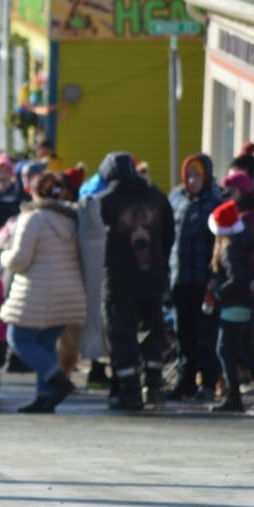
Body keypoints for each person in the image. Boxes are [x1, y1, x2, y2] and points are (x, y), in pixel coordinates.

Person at [0, 168, 87, 413]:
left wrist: (3, 254)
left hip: (39, 293)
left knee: (18, 338)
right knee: (45, 342)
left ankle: (58, 381)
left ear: (34, 191)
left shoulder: (33, 218)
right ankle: (45, 396)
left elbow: (19, 260)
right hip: (69, 295)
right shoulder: (71, 218)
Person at [98, 151, 175, 409]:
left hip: (117, 281)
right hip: (152, 278)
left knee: (121, 335)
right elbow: (168, 237)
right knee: (154, 332)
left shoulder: (103, 202)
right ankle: (153, 387)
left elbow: (93, 244)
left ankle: (129, 392)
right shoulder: (157, 197)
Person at [206, 200, 254, 412]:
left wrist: (219, 291)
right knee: (232, 349)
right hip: (241, 303)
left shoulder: (228, 249)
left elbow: (236, 278)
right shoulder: (239, 244)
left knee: (224, 350)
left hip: (234, 304)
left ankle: (235, 397)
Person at [167, 154, 221, 401]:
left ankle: (208, 382)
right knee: (183, 332)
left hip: (204, 279)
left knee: (205, 334)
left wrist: (214, 276)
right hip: (180, 278)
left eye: (197, 175)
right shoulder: (176, 199)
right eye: (189, 175)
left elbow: (220, 244)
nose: (192, 180)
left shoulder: (215, 203)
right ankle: (185, 380)